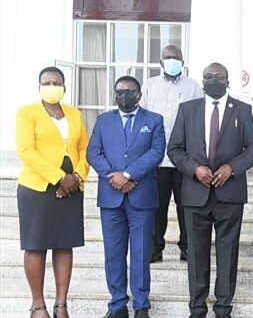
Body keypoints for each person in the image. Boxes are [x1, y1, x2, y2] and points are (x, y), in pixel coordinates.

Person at [167, 63, 253, 318]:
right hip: (195, 193)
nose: (212, 80)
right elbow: (174, 149)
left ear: (227, 80)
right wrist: (194, 168)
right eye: (208, 76)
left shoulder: (242, 110)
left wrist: (232, 167)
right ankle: (197, 309)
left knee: (227, 253)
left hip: (229, 194)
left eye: (218, 76)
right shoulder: (187, 110)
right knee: (196, 255)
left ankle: (223, 308)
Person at [88, 76, 166, 318]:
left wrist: (129, 174)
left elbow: (156, 152)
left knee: (142, 252)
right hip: (111, 196)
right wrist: (114, 176)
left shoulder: (154, 120)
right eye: (120, 91)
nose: (124, 95)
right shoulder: (103, 121)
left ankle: (141, 305)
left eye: (130, 91)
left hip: (141, 195)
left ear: (140, 94)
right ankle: (118, 304)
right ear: (114, 95)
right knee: (113, 252)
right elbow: (93, 152)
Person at [16, 67, 90, 318]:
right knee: (35, 245)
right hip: (37, 188)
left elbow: (85, 149)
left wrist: (76, 177)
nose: (52, 86)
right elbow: (26, 150)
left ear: (64, 87)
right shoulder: (27, 113)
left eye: (56, 82)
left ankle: (61, 304)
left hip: (71, 189)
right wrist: (60, 178)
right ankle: (38, 305)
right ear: (39, 87)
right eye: (46, 82)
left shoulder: (74, 113)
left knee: (64, 244)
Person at [139, 45, 203, 264]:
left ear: (183, 62)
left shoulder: (193, 87)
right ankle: (155, 247)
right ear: (160, 61)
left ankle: (188, 247)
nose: (172, 61)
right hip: (157, 160)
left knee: (186, 206)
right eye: (168, 57)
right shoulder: (149, 86)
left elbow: (199, 122)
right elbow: (143, 118)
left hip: (185, 159)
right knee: (157, 207)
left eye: (176, 58)